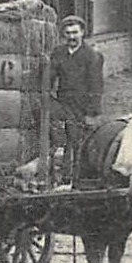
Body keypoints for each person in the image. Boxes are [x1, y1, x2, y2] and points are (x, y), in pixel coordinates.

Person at [48, 15, 104, 175]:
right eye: (68, 33)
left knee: (81, 142)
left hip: (83, 105)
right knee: (62, 140)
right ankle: (64, 174)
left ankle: (80, 176)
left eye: (75, 32)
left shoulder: (92, 55)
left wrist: (92, 113)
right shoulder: (58, 53)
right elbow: (50, 77)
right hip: (64, 102)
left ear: (83, 33)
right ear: (63, 35)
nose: (72, 37)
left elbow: (96, 86)